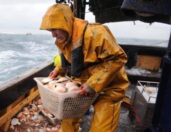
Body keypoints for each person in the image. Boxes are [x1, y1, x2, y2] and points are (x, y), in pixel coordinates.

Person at [40, 3, 129, 132]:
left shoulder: (97, 33)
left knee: (101, 128)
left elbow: (118, 58)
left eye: (54, 29)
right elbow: (70, 59)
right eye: (50, 31)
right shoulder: (63, 39)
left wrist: (93, 84)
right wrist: (58, 69)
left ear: (65, 23)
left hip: (109, 87)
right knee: (68, 119)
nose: (53, 35)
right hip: (82, 84)